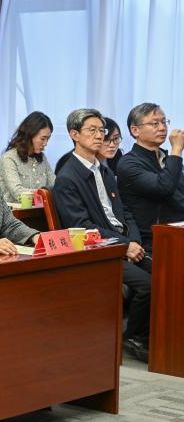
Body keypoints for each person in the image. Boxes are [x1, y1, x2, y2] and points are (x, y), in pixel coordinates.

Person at [52, 108, 151, 362]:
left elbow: (123, 212)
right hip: (100, 251)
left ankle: (155, 336)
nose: (100, 136)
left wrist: (134, 240)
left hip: (121, 243)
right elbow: (81, 226)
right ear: (74, 135)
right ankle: (133, 337)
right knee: (148, 285)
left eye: (102, 130)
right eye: (92, 130)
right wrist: (124, 245)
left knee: (167, 273)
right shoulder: (67, 177)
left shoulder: (104, 170)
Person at [117, 102, 184, 250]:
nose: (162, 128)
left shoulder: (167, 158)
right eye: (155, 123)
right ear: (135, 130)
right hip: (153, 241)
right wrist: (177, 149)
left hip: (178, 233)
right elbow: (164, 187)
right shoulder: (128, 163)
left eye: (164, 122)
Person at [0, 111, 56, 203]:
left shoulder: (42, 158)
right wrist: (45, 194)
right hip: (14, 211)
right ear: (30, 134)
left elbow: (55, 185)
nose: (45, 143)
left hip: (40, 209)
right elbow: (18, 193)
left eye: (48, 139)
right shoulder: (9, 158)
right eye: (43, 138)